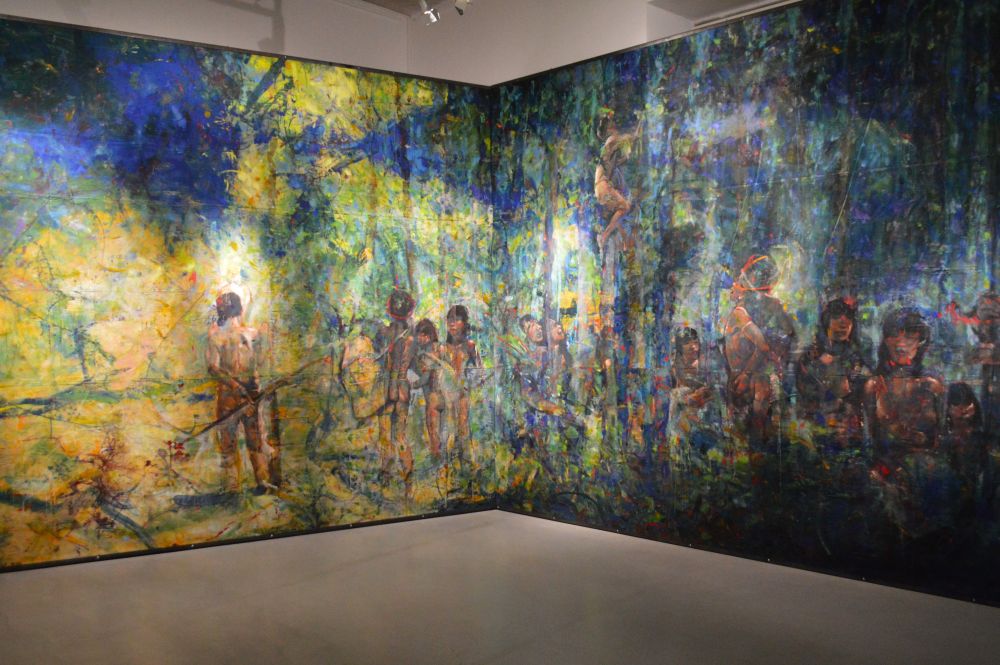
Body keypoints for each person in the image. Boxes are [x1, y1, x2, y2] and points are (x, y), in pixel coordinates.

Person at [863, 307, 948, 548]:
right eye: (894, 335)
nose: (901, 344)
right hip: (886, 473)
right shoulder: (874, 385)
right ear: (886, 340)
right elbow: (870, 441)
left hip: (928, 474)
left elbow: (943, 437)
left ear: (921, 342)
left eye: (909, 337)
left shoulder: (932, 385)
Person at [206, 292, 280, 495]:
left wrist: (237, 387)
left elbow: (213, 368)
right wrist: (243, 388)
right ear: (239, 310)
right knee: (253, 441)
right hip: (246, 394)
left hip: (235, 396)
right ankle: (258, 482)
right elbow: (260, 363)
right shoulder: (252, 334)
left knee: (231, 443)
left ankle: (235, 487)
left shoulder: (217, 336)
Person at [722, 254, 796, 449]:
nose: (734, 284)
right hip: (741, 382)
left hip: (752, 381)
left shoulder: (751, 311)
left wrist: (746, 374)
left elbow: (772, 344)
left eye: (740, 279)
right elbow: (765, 346)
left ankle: (758, 442)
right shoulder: (741, 312)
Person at [796, 297, 871, 450]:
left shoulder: (858, 355)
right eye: (837, 317)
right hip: (818, 423)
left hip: (851, 426)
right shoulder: (811, 355)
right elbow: (805, 392)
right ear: (827, 322)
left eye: (848, 319)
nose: (843, 323)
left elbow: (863, 389)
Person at [380, 289, 416, 491]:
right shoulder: (412, 338)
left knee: (385, 435)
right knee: (401, 436)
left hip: (387, 388)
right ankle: (408, 482)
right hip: (403, 388)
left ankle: (385, 479)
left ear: (389, 310)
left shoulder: (386, 334)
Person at [442, 305, 482, 462]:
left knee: (463, 426)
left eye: (457, 320)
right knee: (449, 428)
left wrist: (473, 381)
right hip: (446, 393)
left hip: (464, 392)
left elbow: (480, 370)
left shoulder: (470, 346)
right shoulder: (443, 348)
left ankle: (467, 460)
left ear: (465, 323)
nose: (452, 323)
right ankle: (449, 461)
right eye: (450, 320)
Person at [413, 318, 445, 459]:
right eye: (418, 335)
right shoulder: (434, 349)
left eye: (422, 335)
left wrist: (414, 384)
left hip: (434, 396)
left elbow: (426, 377)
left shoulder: (431, 350)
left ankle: (436, 456)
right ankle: (439, 456)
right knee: (438, 429)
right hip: (440, 395)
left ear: (429, 335)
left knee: (433, 428)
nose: (419, 338)